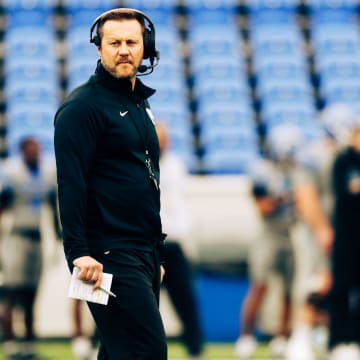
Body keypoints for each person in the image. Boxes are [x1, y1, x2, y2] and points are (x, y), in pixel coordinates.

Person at [53, 8, 167, 360]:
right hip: (105, 255)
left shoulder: (138, 102)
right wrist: (78, 252)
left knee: (120, 352)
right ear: (98, 48)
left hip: (143, 253)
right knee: (146, 350)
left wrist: (152, 255)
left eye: (131, 42)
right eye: (114, 42)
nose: (123, 50)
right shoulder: (82, 108)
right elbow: (70, 185)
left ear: (144, 47)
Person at [234, 124, 333, 359]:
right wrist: (287, 199)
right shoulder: (262, 171)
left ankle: (282, 337)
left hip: (290, 235)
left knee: (289, 291)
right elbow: (263, 208)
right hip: (268, 236)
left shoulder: (298, 173)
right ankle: (246, 336)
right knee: (260, 286)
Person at [0, 137, 59, 359]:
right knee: (13, 293)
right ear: (23, 152)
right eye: (31, 151)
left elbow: (52, 207)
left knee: (31, 295)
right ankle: (10, 343)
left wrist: (57, 236)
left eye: (38, 150)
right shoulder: (13, 176)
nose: (36, 155)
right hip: (16, 238)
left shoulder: (45, 176)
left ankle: (28, 343)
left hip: (37, 239)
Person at [156, 122, 204, 360]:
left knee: (185, 299)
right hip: (149, 243)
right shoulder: (137, 162)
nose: (163, 144)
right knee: (133, 300)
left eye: (166, 139)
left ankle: (195, 349)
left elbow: (180, 203)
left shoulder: (176, 165)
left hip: (173, 242)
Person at [328, 122, 360, 360]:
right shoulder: (344, 162)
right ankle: (337, 341)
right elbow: (347, 193)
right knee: (341, 290)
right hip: (346, 237)